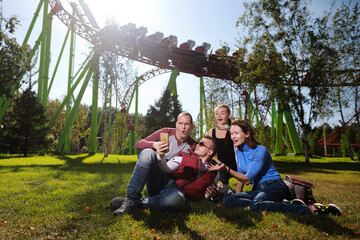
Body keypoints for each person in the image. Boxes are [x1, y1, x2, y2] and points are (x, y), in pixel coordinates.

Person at [206, 119, 343, 216]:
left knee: (255, 205)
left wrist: (227, 169)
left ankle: (310, 210)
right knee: (227, 199)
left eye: (236, 133)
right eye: (231, 134)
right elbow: (241, 178)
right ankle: (280, 204)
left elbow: (247, 179)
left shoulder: (260, 150)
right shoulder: (237, 151)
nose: (233, 136)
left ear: (247, 133)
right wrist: (236, 195)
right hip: (258, 189)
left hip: (274, 185)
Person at [111, 135, 219, 215]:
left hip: (175, 194)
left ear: (210, 152)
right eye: (198, 142)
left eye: (202, 144)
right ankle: (131, 198)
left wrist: (213, 195)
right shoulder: (184, 157)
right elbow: (166, 169)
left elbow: (209, 193)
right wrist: (161, 156)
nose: (197, 145)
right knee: (148, 152)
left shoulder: (214, 171)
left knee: (178, 199)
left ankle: (133, 203)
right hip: (163, 184)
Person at [207, 104, 239, 192]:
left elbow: (234, 128)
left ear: (229, 115)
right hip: (219, 164)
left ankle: (226, 189)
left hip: (235, 165)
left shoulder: (233, 129)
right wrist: (219, 163)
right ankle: (222, 187)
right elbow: (209, 151)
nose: (219, 116)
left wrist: (225, 127)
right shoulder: (211, 132)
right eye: (217, 113)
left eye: (222, 113)